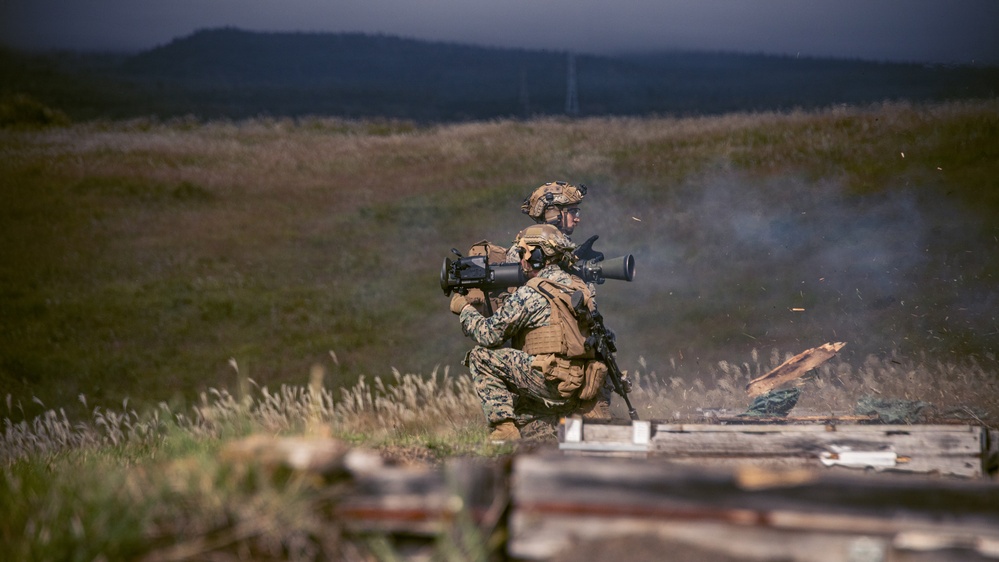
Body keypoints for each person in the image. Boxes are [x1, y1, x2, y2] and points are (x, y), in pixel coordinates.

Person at [450, 224, 608, 442]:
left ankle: (504, 430)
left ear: (537, 255)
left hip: (551, 381)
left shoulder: (532, 292)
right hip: (583, 383)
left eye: (524, 252)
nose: (521, 259)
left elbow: (488, 335)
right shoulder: (581, 286)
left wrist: (465, 309)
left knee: (480, 357)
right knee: (527, 419)